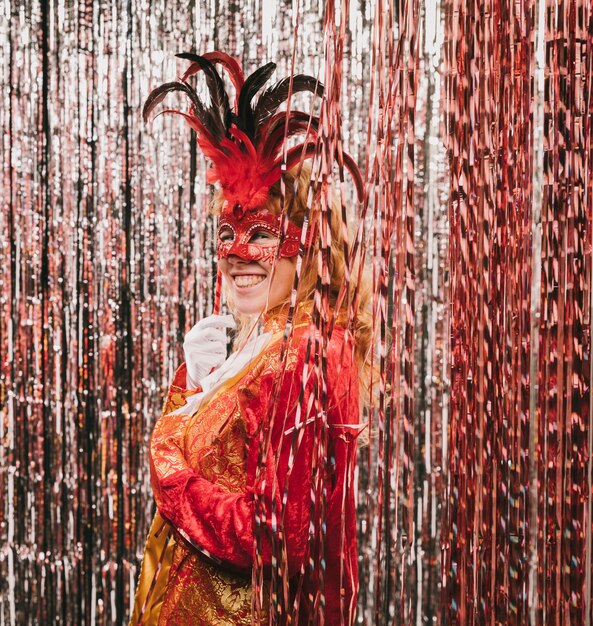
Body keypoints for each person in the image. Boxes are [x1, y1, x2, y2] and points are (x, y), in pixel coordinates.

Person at [130, 51, 371, 626]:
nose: (237, 253)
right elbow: (229, 460)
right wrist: (196, 386)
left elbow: (271, 537)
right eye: (226, 232)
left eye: (260, 233)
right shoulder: (261, 340)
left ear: (309, 246)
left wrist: (168, 469)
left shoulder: (308, 355)